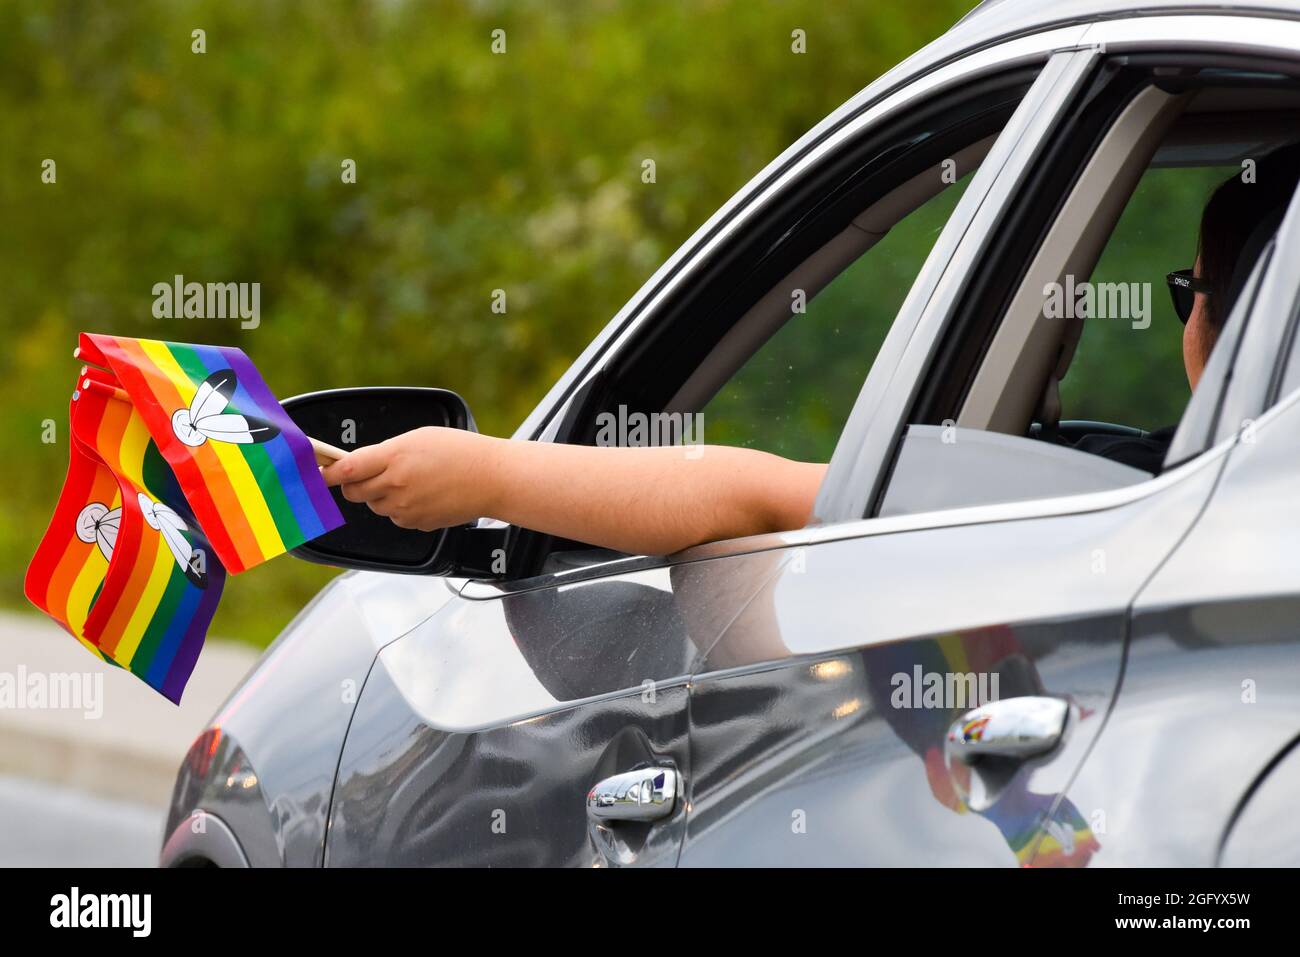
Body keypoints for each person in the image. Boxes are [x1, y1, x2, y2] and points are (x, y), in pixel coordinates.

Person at [323, 148, 1300, 555]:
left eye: (1190, 289)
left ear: (1235, 317)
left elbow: (754, 497)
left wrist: (487, 472)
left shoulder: (1122, 494)